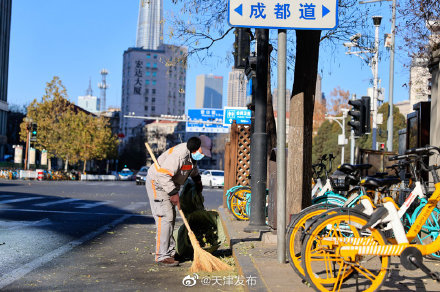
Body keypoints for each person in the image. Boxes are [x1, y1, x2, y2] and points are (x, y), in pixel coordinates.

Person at [145, 135, 212, 266]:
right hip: (158, 183)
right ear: (194, 147)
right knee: (165, 217)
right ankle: (161, 256)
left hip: (170, 184)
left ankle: (169, 252)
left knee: (171, 217)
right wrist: (173, 193)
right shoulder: (179, 155)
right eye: (202, 152)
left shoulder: (191, 157)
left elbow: (191, 169)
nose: (203, 155)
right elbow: (162, 174)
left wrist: (197, 181)